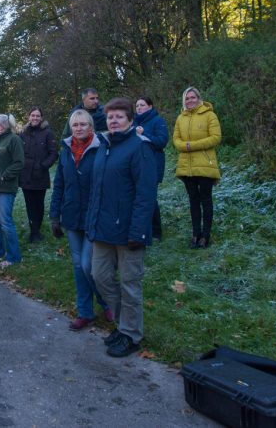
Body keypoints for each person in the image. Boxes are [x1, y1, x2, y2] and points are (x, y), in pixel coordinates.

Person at [86, 98, 156, 358]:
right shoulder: (105, 147)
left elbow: (145, 194)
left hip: (129, 231)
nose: (114, 120)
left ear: (130, 120)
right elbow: (97, 190)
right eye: (111, 117)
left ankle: (131, 334)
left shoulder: (139, 148)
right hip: (102, 228)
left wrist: (138, 231)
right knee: (99, 276)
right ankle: (122, 322)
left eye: (119, 116)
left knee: (129, 283)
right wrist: (91, 223)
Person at [50, 109, 111, 330]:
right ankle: (85, 312)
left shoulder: (102, 147)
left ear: (91, 126)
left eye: (83, 124)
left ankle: (106, 301)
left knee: (88, 266)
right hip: (71, 216)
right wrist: (54, 216)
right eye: (75, 125)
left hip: (94, 216)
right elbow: (59, 184)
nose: (79, 128)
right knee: (78, 266)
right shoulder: (66, 150)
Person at [173, 87, 222, 249]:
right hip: (187, 167)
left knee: (206, 200)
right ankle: (196, 234)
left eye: (193, 97)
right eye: (187, 98)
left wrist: (191, 146)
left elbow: (215, 138)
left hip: (205, 165)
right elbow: (176, 140)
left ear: (199, 98)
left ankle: (205, 236)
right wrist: (185, 146)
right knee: (193, 200)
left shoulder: (210, 115)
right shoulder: (180, 118)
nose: (190, 101)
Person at [0, 114, 25, 269]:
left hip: (5, 188)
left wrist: (4, 176)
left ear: (1, 126)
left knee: (5, 223)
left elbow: (19, 163)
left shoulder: (14, 140)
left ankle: (14, 256)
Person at [19, 107, 58, 242]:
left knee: (39, 204)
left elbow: (53, 153)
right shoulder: (22, 134)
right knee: (30, 205)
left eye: (37, 116)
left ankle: (37, 229)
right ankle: (33, 232)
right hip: (26, 176)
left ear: (41, 118)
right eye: (32, 115)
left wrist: (43, 166)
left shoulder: (48, 133)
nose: (35, 118)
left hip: (40, 175)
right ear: (29, 117)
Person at [134, 97, 169, 241]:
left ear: (150, 106)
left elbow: (162, 142)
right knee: (138, 197)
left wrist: (144, 134)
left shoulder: (158, 121)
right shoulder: (134, 122)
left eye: (142, 105)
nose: (139, 108)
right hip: (137, 165)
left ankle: (156, 232)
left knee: (150, 198)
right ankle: (142, 229)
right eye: (136, 105)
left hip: (153, 164)